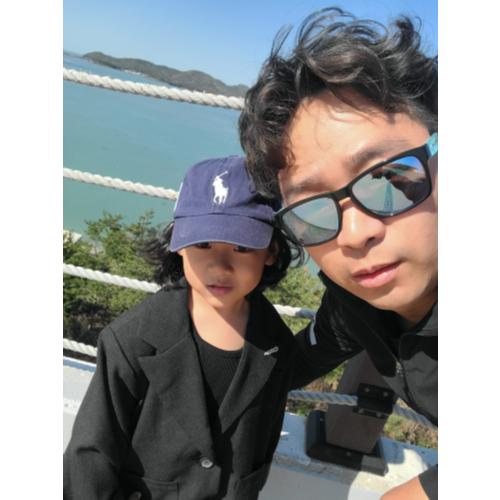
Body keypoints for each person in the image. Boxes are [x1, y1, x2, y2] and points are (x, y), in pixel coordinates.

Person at [239, 7, 437, 500]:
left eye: (390, 178)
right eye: (311, 210)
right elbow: (302, 357)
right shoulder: (355, 306)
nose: (353, 234)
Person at [63, 156, 302, 500]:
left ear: (271, 251)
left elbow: (260, 444)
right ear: (178, 244)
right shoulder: (132, 339)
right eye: (203, 244)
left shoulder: (277, 343)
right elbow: (91, 453)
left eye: (241, 247)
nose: (220, 266)